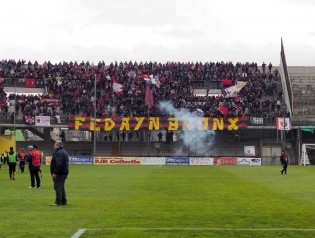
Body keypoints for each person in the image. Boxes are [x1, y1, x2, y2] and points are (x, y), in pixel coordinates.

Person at [50, 141, 69, 206]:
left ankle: (58, 202)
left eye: (55, 145)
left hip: (60, 173)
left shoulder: (59, 153)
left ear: (58, 146)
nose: (54, 146)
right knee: (61, 187)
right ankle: (63, 201)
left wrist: (55, 172)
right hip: (64, 172)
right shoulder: (64, 151)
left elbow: (59, 163)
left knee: (58, 187)